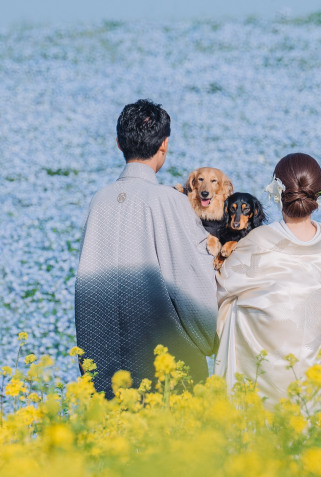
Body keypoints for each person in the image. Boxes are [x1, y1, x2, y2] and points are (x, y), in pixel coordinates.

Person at [74, 99, 217, 397]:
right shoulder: (170, 200)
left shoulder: (99, 201)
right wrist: (212, 337)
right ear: (164, 144)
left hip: (105, 372)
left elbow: (86, 290)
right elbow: (194, 284)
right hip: (166, 372)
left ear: (118, 143)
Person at [215, 152, 321, 409]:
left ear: (277, 193)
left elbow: (221, 287)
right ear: (317, 196)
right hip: (307, 383)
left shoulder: (259, 241)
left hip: (257, 386)